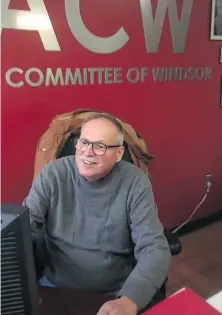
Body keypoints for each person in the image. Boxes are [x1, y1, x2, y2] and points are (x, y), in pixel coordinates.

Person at [23, 113, 171, 315]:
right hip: (55, 289)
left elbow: (154, 248)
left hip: (114, 293)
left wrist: (129, 300)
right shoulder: (53, 174)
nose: (87, 152)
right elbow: (22, 228)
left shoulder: (135, 183)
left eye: (100, 146)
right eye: (83, 142)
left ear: (119, 153)